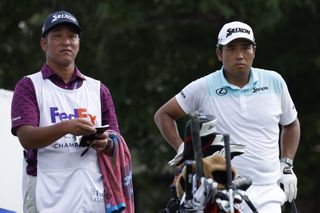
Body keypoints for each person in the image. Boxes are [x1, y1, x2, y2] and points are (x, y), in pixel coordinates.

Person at [154, 21, 300, 213]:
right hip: (220, 190)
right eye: (231, 49)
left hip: (268, 190)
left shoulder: (274, 81)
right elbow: (163, 114)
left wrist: (286, 164)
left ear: (254, 51)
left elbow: (291, 124)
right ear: (219, 53)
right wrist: (182, 148)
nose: (239, 55)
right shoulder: (204, 86)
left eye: (245, 48)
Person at [11, 10, 134, 213]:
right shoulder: (29, 85)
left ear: (78, 43)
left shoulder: (98, 89)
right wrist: (67, 127)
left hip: (91, 192)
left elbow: (115, 142)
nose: (66, 41)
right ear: (44, 44)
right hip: (45, 190)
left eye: (72, 36)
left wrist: (105, 142)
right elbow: (26, 138)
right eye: (57, 35)